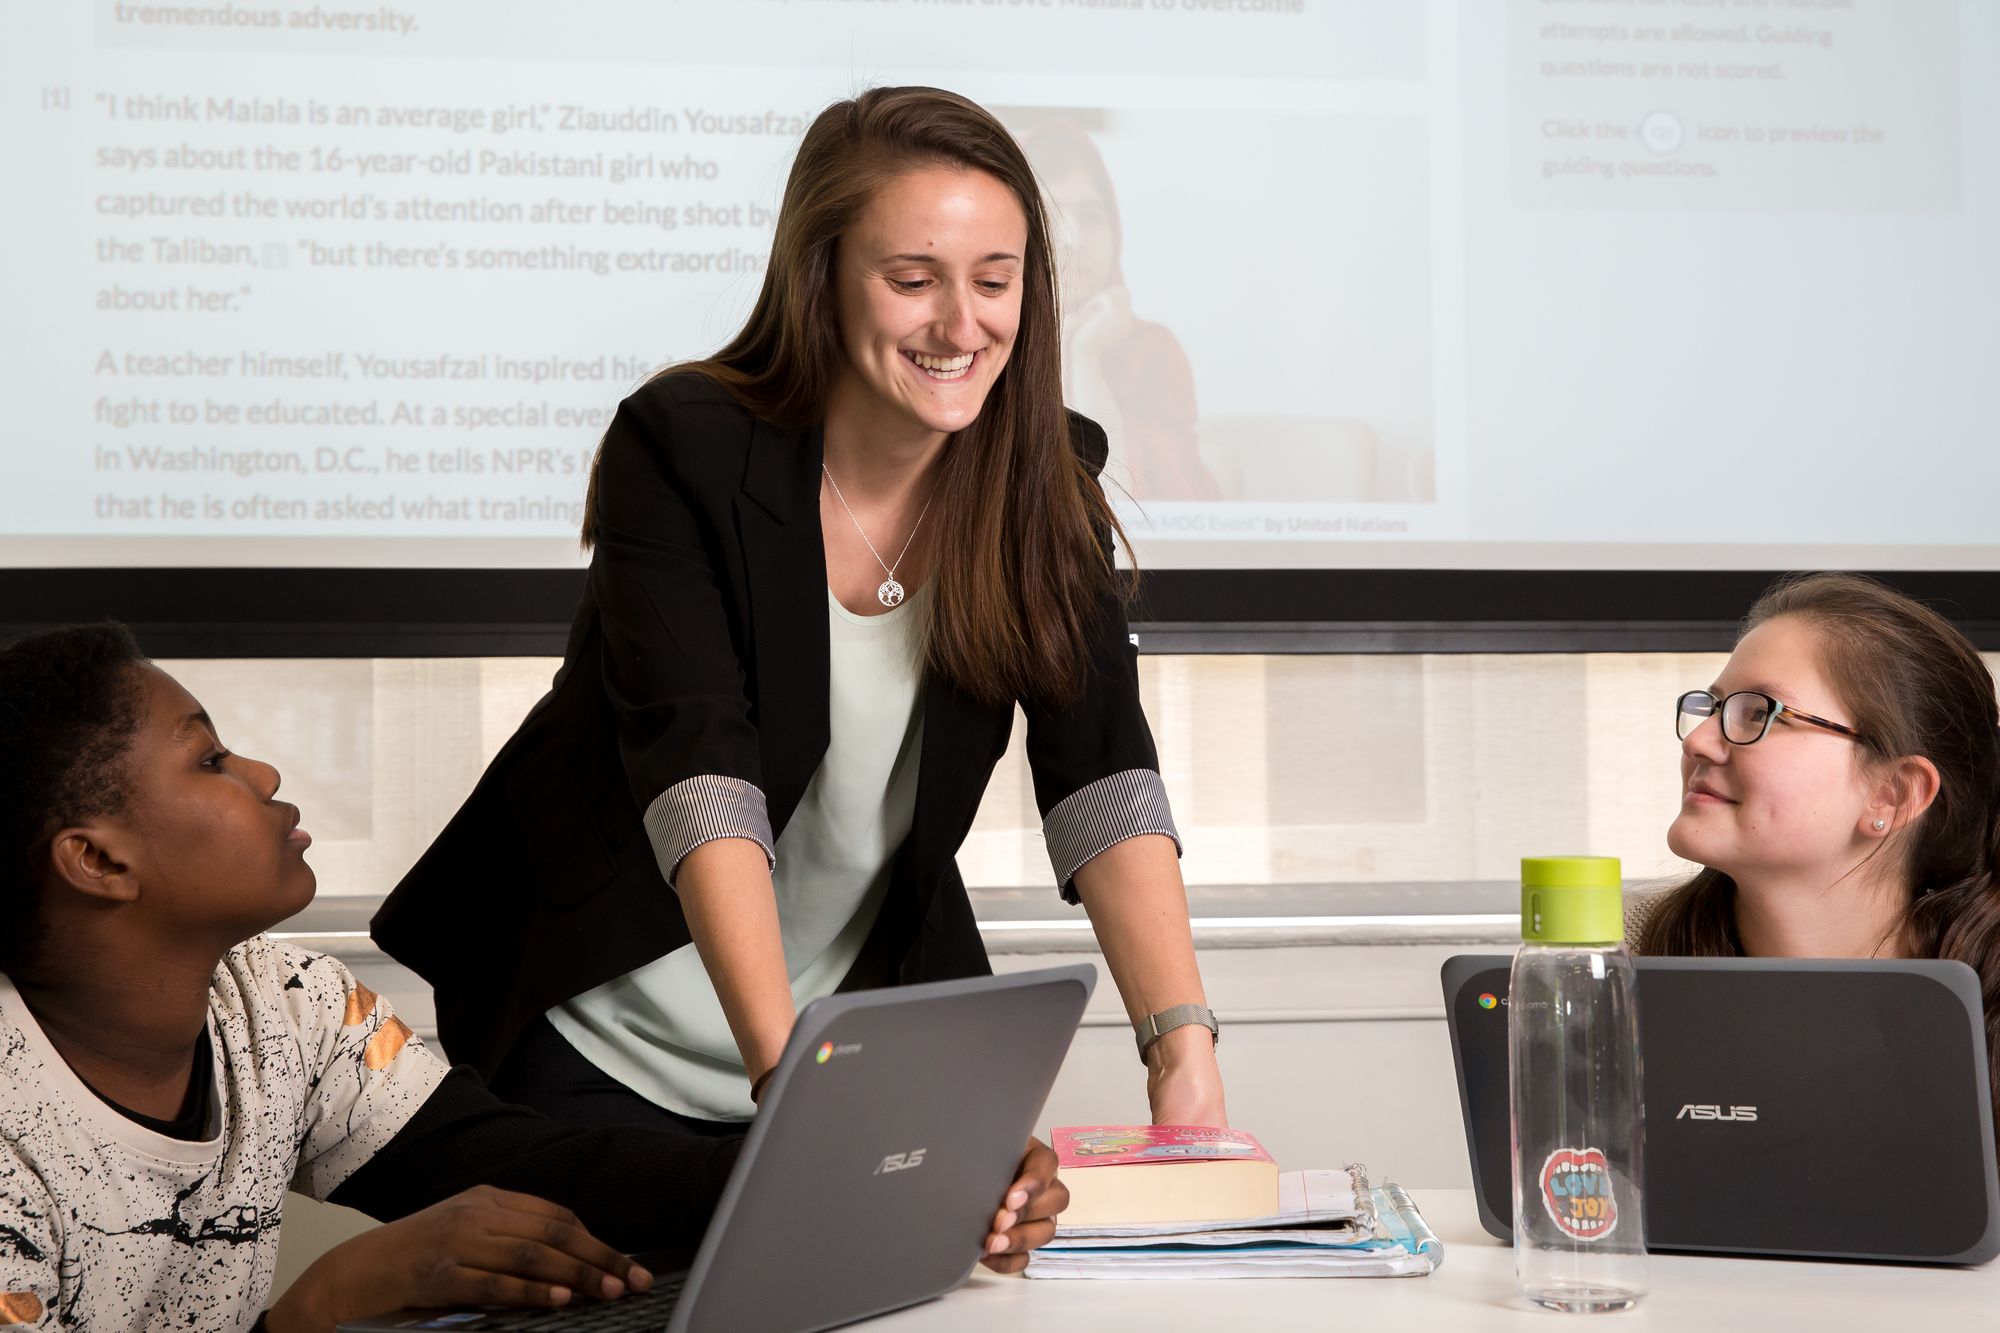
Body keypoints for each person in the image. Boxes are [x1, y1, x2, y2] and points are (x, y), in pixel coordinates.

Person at [372, 86, 1228, 1136]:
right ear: (819, 282)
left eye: (993, 281)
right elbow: (700, 772)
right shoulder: (682, 447)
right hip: (601, 1020)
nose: (960, 324)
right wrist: (790, 1087)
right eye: (912, 280)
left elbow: (1099, 772)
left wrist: (1180, 1053)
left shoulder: (1042, 480)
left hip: (851, 1021)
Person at [0, 624, 1065, 1330]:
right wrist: (314, 1312)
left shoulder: (286, 1004)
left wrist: (879, 1168)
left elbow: (534, 1165)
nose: (264, 774)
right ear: (98, 860)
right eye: (211, 758)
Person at [1633, 572, 2000, 1120]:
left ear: (1892, 795)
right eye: (1711, 707)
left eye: (1758, 712)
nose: (1699, 740)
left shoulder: (1980, 1007)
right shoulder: (1613, 962)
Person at [1021, 121, 1220, 502]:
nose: (1074, 241)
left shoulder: (1153, 350)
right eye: (1051, 216)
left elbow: (1130, 502)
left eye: (1091, 216)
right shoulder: (983, 343)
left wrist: (1085, 356)